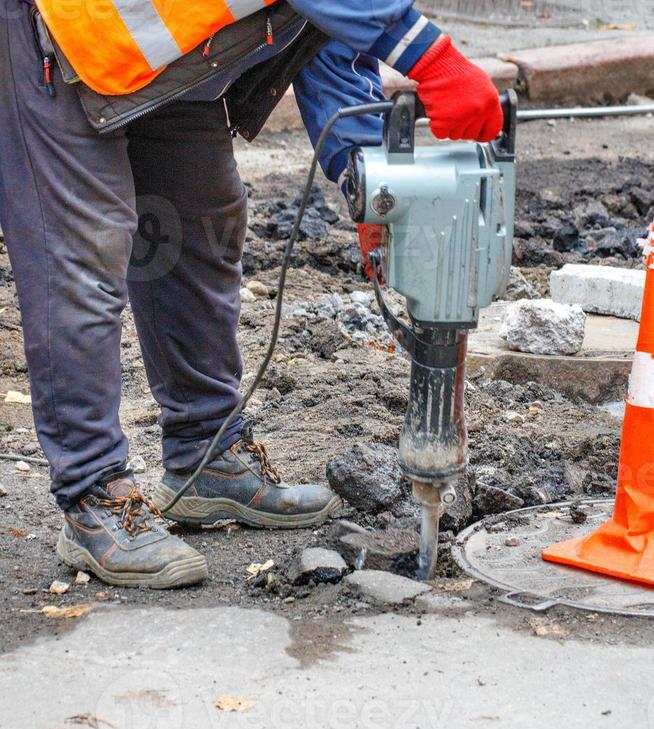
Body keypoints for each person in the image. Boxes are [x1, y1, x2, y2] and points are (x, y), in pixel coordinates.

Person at [0, 0, 503, 589]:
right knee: (83, 255)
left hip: (171, 52)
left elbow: (330, 43)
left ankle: (206, 454)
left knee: (201, 225)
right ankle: (92, 494)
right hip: (61, 32)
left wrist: (367, 175)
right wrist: (430, 55)